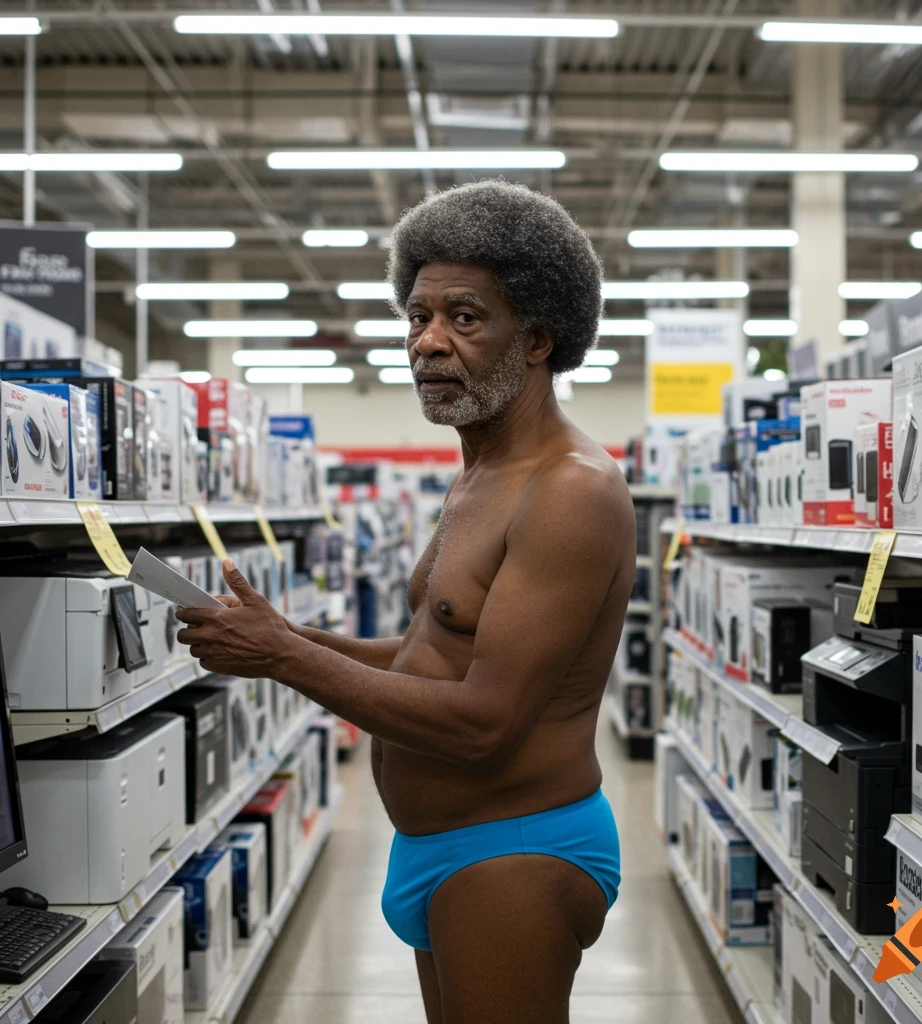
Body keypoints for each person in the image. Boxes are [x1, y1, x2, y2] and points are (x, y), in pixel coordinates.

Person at [177, 180, 636, 1024]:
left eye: (465, 318)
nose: (429, 342)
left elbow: (482, 722)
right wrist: (286, 635)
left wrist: (285, 658)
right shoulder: (480, 477)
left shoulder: (570, 491)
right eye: (418, 316)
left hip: (515, 850)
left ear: (537, 336)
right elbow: (430, 659)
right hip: (439, 849)